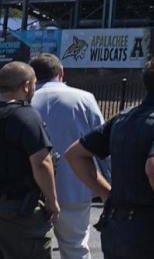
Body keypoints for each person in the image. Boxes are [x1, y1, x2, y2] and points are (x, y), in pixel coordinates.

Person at [66, 55, 154, 259]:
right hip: (150, 230)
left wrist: (105, 192)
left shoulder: (123, 118)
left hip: (116, 227)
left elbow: (75, 154)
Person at [30, 54, 102, 259]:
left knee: (30, 249)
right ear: (61, 72)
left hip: (32, 191)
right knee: (76, 247)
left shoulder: (24, 101)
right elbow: (101, 143)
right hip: (75, 186)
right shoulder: (84, 98)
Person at [0, 62, 58, 259]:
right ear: (26, 86)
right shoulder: (25, 115)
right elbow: (42, 162)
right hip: (19, 209)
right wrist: (52, 200)